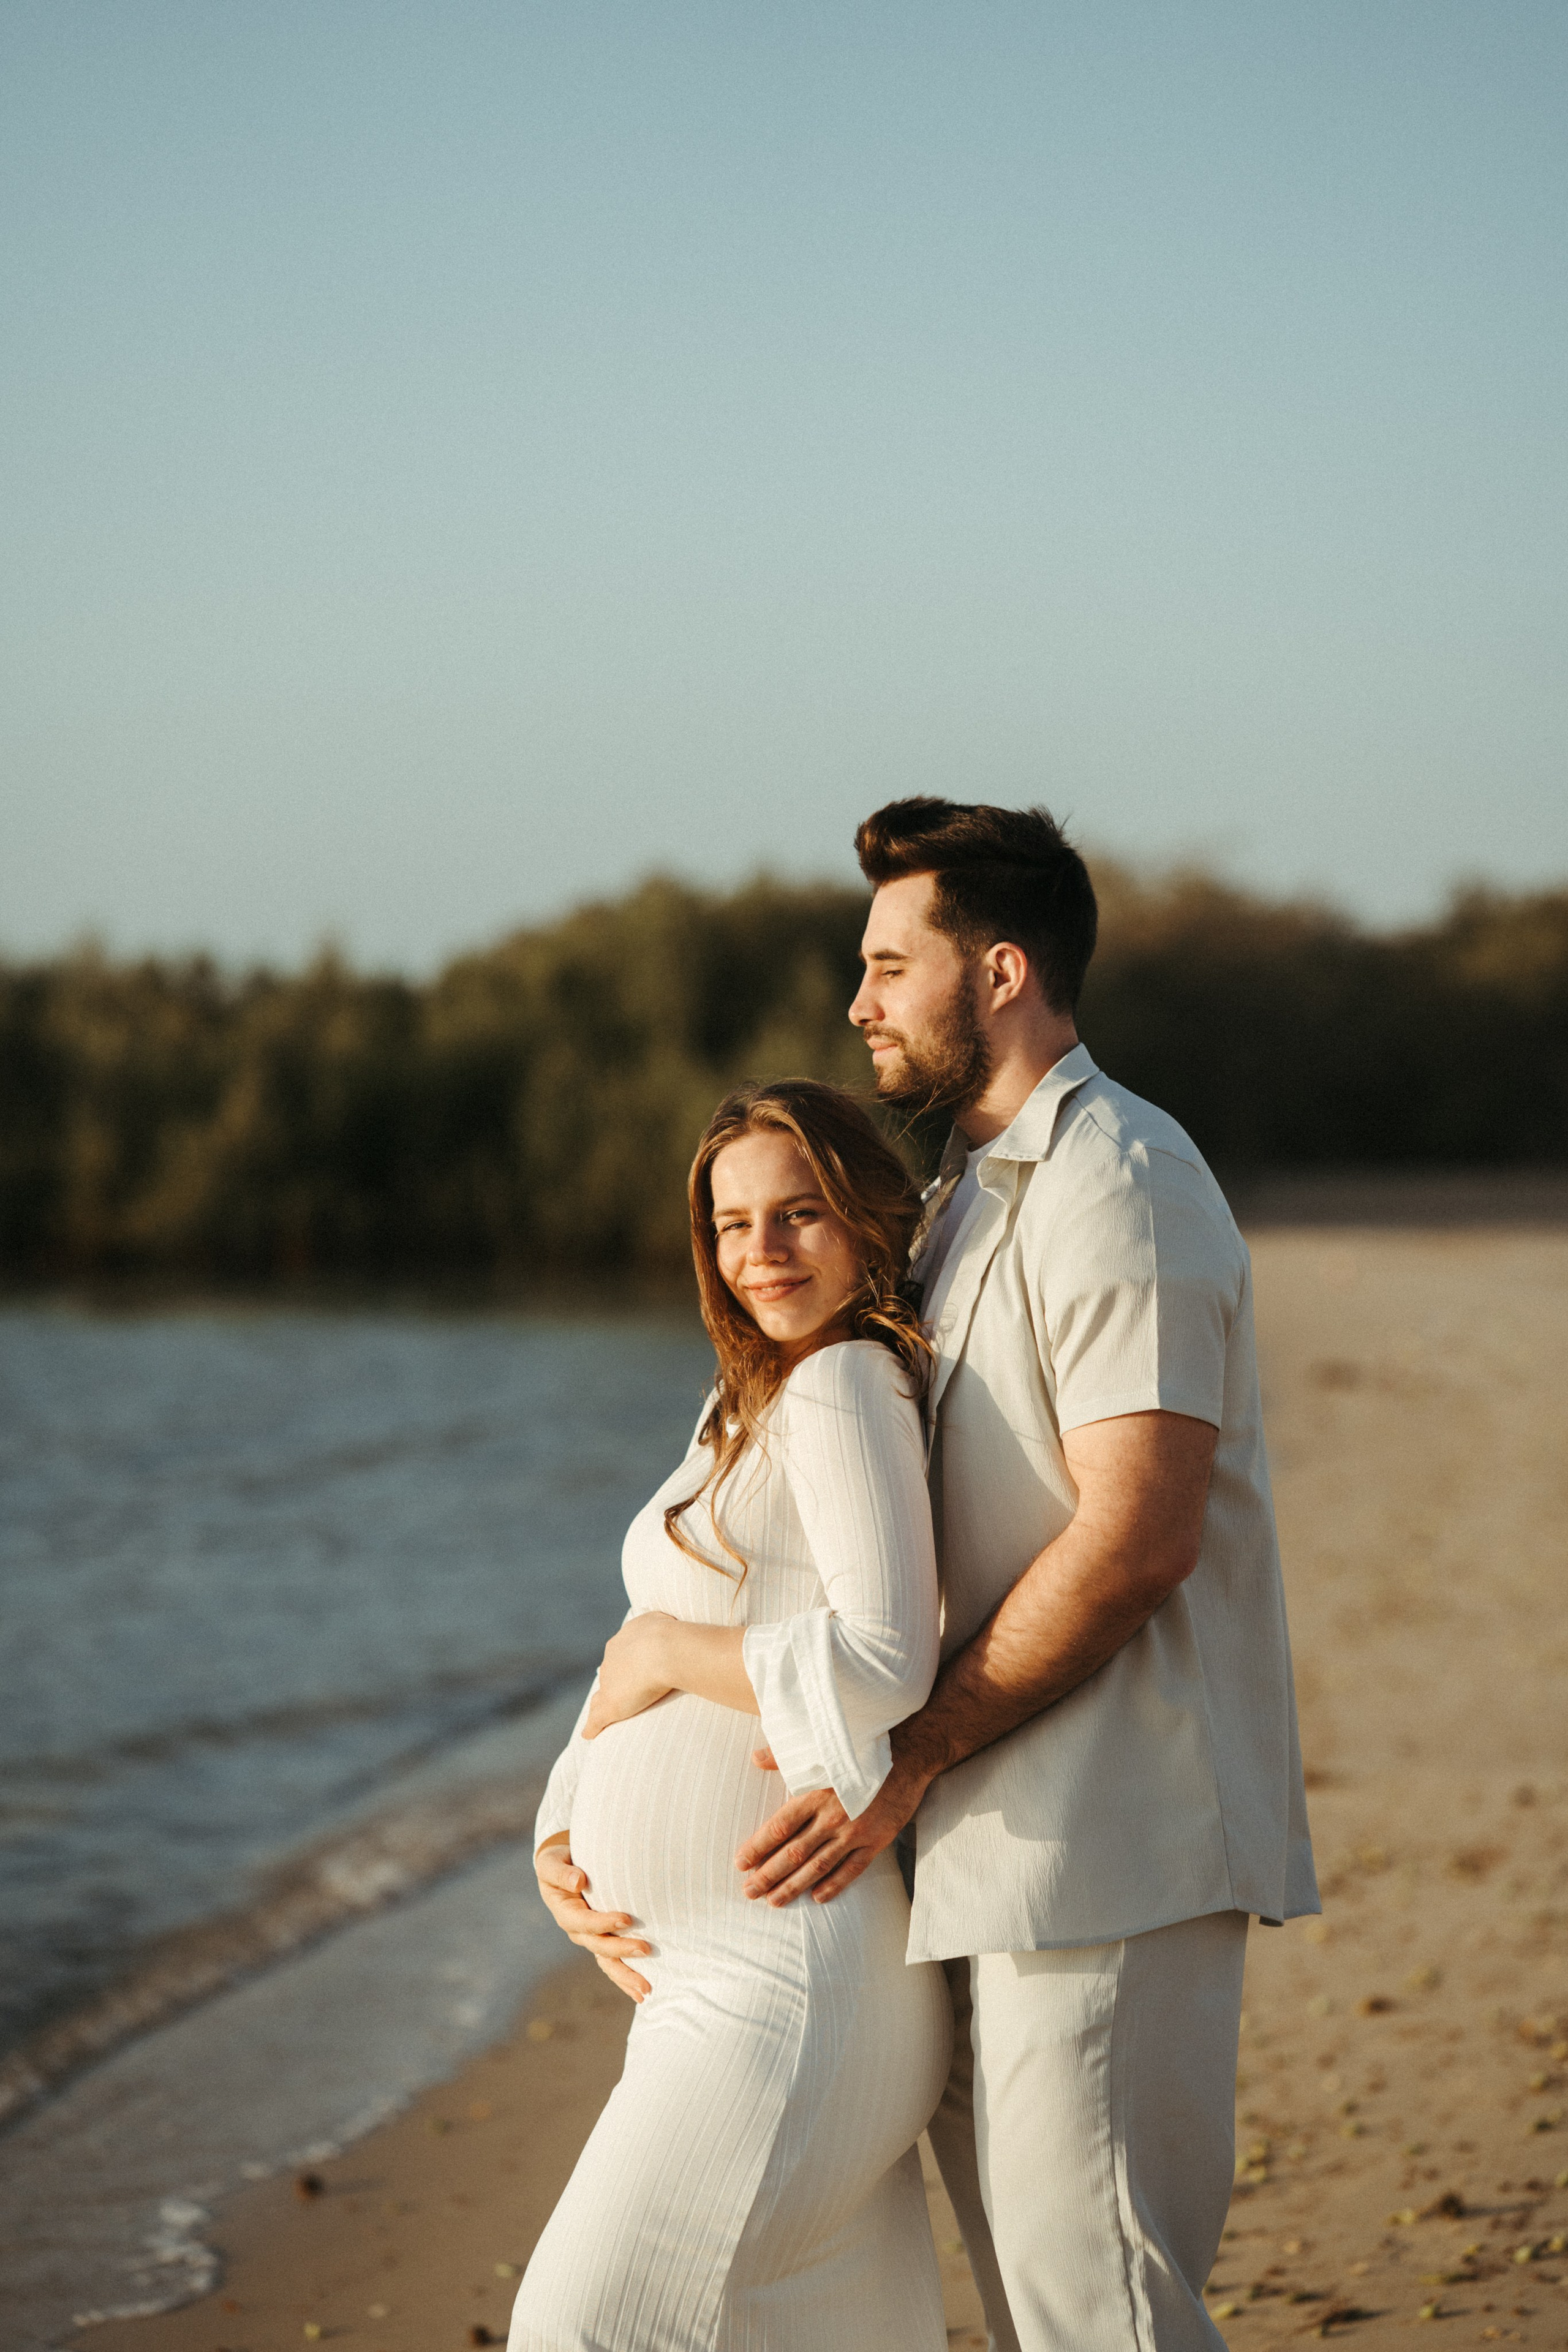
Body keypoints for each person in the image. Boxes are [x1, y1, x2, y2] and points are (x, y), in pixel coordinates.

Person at [736, 799, 1320, 2352]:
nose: (857, 1000)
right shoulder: (953, 1207)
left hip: (1109, 1842)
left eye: (886, 962)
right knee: (1032, 2313)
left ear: (998, 972)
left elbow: (1135, 1533)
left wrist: (910, 1749)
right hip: (986, 1843)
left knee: (1101, 2311)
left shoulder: (1116, 1180)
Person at [513, 1079, 953, 2352]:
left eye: (797, 1214)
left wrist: (666, 1645)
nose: (757, 1253)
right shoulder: (743, 1403)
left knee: (576, 2333)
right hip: (714, 1984)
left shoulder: (843, 1384)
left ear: (868, 1222)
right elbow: (626, 1673)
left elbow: (882, 1658)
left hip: (782, 1982)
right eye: (729, 1224)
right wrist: (558, 1834)